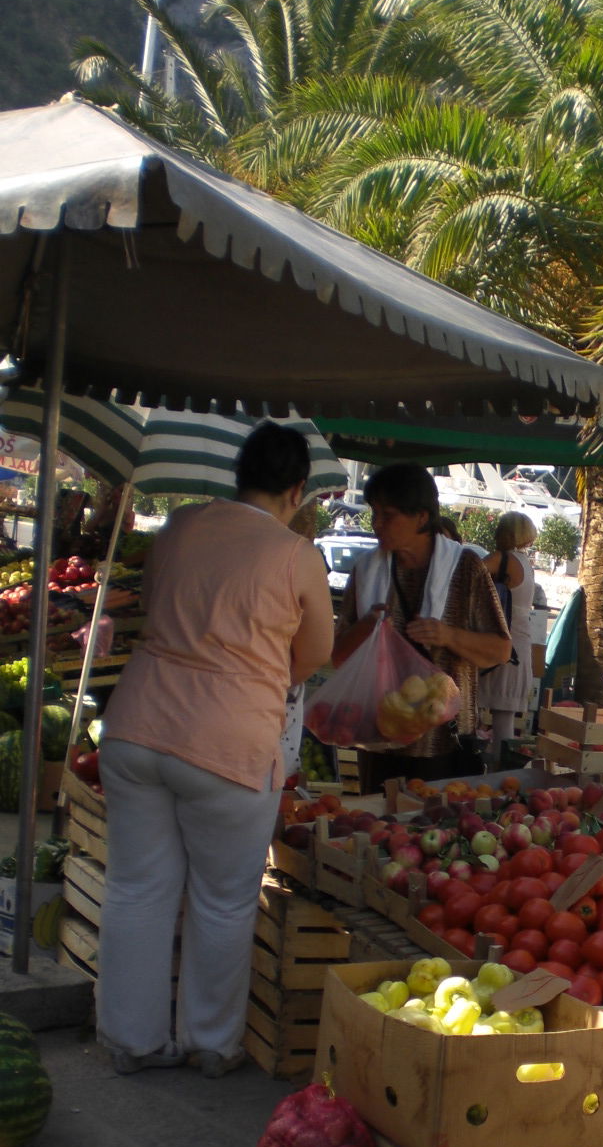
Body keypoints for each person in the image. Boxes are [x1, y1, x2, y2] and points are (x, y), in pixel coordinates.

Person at [96, 422, 334, 1078]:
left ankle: (132, 1040)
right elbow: (314, 653)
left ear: (239, 472)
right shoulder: (296, 554)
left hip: (136, 724)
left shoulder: (180, 526)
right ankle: (210, 1043)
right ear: (297, 489)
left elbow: (151, 604)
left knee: (138, 889)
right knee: (224, 899)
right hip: (228, 744)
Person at [333, 463, 511, 787]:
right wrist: (367, 626)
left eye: (388, 515)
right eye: (374, 513)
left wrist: (448, 635)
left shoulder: (466, 568)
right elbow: (338, 657)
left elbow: (500, 649)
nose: (376, 524)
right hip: (378, 736)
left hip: (444, 741)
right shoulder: (365, 570)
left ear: (421, 517)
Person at [478, 510, 538, 764]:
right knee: (504, 719)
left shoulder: (502, 560)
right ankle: (501, 776)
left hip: (500, 645)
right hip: (519, 647)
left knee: (482, 714)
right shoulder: (526, 564)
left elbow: (467, 574)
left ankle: (492, 773)